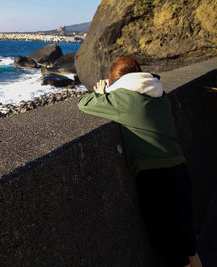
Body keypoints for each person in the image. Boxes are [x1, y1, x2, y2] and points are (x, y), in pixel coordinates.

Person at [77, 56, 203, 267]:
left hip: (156, 179)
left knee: (172, 251)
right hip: (180, 171)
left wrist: (102, 93)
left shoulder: (123, 100)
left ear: (118, 81)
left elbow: (84, 104)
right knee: (188, 243)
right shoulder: (160, 94)